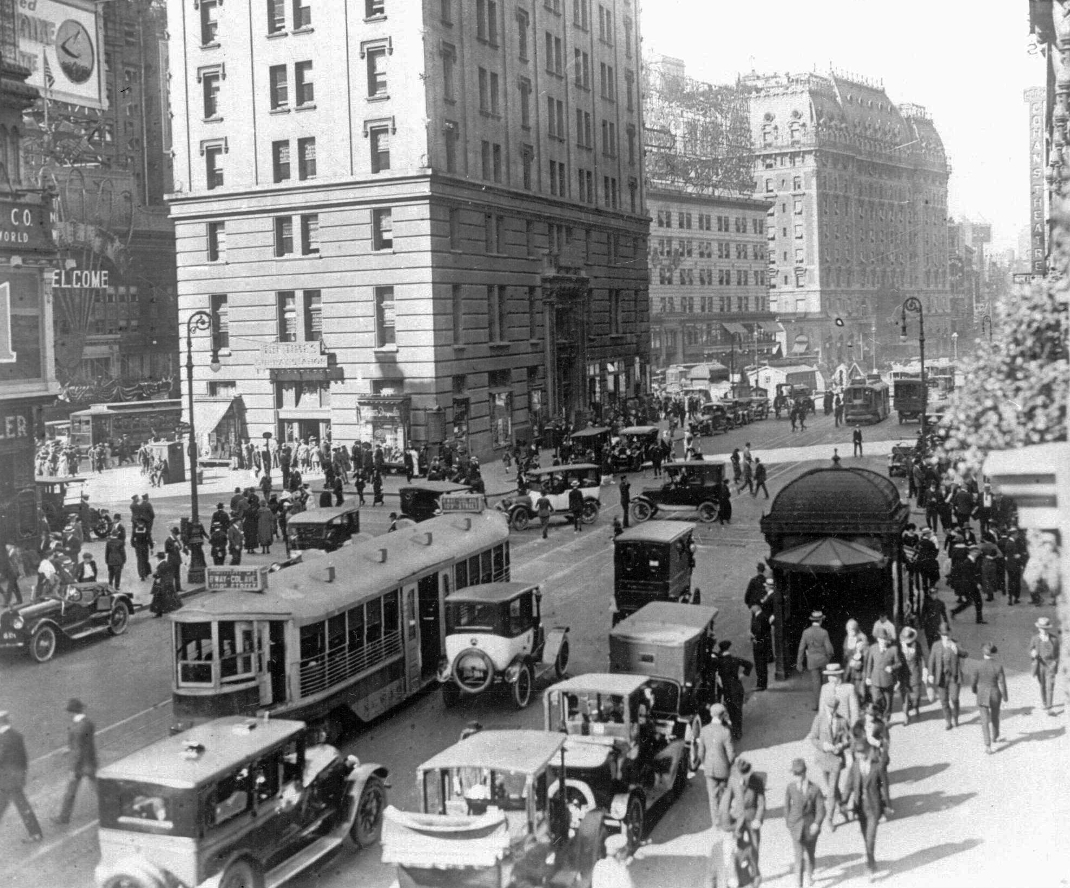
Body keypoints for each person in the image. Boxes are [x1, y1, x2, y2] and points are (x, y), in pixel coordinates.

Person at [843, 738, 891, 880]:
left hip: (874, 807)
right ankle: (872, 860)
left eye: (863, 752)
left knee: (870, 838)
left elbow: (884, 787)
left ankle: (870, 867)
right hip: (860, 808)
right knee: (866, 838)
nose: (861, 755)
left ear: (869, 751)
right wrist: (844, 801)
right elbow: (849, 784)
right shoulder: (855, 766)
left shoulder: (878, 766)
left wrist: (888, 805)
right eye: (858, 753)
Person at [806, 696, 850, 831]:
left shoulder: (842, 721)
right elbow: (813, 737)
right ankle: (842, 806)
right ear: (825, 707)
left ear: (837, 708)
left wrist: (841, 745)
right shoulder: (819, 719)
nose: (832, 711)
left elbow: (848, 739)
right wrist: (823, 746)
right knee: (832, 787)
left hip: (836, 759)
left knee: (830, 791)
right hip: (823, 758)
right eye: (829, 708)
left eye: (834, 708)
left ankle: (829, 819)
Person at [0, 710, 43, 843]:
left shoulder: (2, 739)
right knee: (6, 804)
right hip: (16, 777)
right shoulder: (17, 735)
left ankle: (36, 833)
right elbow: (24, 758)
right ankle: (35, 833)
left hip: (7, 780)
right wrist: (22, 774)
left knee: (20, 805)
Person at [53, 698, 98, 826]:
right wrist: (70, 748)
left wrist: (72, 769)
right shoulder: (88, 723)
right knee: (97, 788)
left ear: (71, 713)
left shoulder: (76, 728)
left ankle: (63, 818)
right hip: (90, 762)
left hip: (79, 766)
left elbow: (78, 750)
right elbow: (84, 744)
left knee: (70, 793)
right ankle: (112, 807)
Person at [784, 758, 825, 888]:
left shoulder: (815, 789)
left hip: (810, 827)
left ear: (804, 773)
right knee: (798, 856)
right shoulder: (790, 787)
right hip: (796, 827)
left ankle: (810, 874)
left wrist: (817, 823)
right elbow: (786, 807)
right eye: (794, 774)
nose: (796, 777)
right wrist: (789, 822)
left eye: (798, 774)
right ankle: (799, 884)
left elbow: (820, 809)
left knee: (810, 853)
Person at [697, 702, 735, 824]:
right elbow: (731, 754)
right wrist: (730, 765)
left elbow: (700, 753)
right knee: (724, 795)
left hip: (709, 768)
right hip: (723, 769)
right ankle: (724, 819)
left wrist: (704, 763)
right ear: (722, 715)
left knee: (712, 797)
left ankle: (716, 822)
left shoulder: (704, 730)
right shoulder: (725, 731)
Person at [927, 622, 967, 730]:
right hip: (941, 677)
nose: (945, 637)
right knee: (944, 701)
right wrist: (930, 673)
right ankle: (948, 721)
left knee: (954, 698)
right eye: (943, 635)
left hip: (954, 677)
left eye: (947, 634)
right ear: (940, 635)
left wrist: (956, 649)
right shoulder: (936, 645)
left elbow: (965, 654)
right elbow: (931, 661)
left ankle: (956, 716)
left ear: (950, 633)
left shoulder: (956, 643)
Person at [971, 643, 1008, 754]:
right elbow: (1002, 683)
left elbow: (973, 681)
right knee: (995, 716)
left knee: (984, 720)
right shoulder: (998, 666)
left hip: (982, 694)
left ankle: (988, 745)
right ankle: (995, 736)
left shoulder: (978, 665)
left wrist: (974, 690)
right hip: (995, 694)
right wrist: (1005, 696)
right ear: (993, 653)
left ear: (983, 653)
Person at [796, 611, 835, 711]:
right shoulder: (824, 632)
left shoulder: (806, 632)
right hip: (823, 660)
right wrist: (829, 657)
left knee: (816, 683)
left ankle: (817, 705)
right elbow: (829, 648)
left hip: (812, 660)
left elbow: (801, 648)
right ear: (821, 620)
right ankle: (826, 704)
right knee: (825, 683)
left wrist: (799, 662)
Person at [715, 640, 753, 742]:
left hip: (727, 689)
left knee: (731, 709)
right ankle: (738, 731)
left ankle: (735, 728)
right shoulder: (735, 660)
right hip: (737, 687)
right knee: (738, 710)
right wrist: (742, 675)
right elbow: (749, 664)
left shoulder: (719, 662)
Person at [863, 628, 901, 715]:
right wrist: (868, 677)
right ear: (878, 639)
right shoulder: (873, 648)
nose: (883, 641)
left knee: (888, 702)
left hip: (888, 680)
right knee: (876, 699)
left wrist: (892, 667)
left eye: (884, 639)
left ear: (887, 639)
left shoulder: (893, 649)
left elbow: (899, 663)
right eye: (881, 639)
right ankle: (879, 717)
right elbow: (869, 663)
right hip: (875, 679)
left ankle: (886, 718)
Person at [1029, 617, 1060, 713]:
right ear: (1039, 628)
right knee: (1042, 685)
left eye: (1046, 628)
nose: (1044, 630)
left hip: (1050, 665)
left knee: (1050, 686)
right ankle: (1044, 702)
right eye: (1042, 628)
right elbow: (1031, 649)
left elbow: (1057, 653)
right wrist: (1033, 653)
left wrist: (1055, 662)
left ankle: (1049, 708)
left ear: (1048, 629)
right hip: (1039, 666)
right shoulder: (1034, 639)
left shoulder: (1054, 639)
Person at [897, 627, 926, 725]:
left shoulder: (916, 645)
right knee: (905, 697)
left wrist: (924, 670)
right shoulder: (899, 647)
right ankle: (906, 716)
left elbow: (921, 658)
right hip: (903, 675)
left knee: (916, 696)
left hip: (915, 674)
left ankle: (916, 705)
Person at [818, 662, 861, 728]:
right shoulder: (824, 688)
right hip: (828, 726)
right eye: (829, 676)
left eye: (834, 676)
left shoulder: (849, 688)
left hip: (844, 726)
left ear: (839, 675)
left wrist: (853, 728)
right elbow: (821, 710)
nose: (831, 678)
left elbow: (854, 711)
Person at [949, 546, 985, 624]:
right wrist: (977, 583)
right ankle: (955, 611)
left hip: (971, 585)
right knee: (972, 602)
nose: (976, 554)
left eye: (977, 552)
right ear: (970, 552)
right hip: (968, 585)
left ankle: (978, 619)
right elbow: (968, 575)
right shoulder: (967, 562)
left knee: (974, 602)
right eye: (975, 552)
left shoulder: (973, 560)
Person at [750, 604, 774, 692]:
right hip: (764, 644)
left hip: (759, 645)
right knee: (762, 664)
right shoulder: (764, 616)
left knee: (760, 665)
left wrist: (754, 637)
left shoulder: (759, 618)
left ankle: (761, 684)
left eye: (752, 607)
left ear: (755, 608)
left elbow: (759, 631)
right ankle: (762, 684)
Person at [150, 552, 182, 617]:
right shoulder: (167, 563)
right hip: (168, 583)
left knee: (158, 599)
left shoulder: (161, 565)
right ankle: (165, 611)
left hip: (161, 584)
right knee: (170, 598)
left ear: (159, 558)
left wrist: (154, 575)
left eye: (157, 557)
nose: (157, 559)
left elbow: (158, 574)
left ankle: (159, 613)